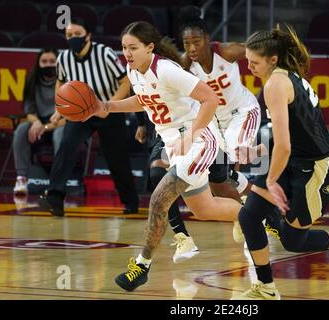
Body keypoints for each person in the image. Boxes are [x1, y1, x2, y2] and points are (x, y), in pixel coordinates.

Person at [87, 21, 244, 291]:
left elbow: (210, 99)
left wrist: (192, 134)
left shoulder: (167, 70)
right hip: (172, 141)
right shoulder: (133, 70)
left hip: (197, 139)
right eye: (124, 47)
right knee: (206, 209)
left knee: (159, 199)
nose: (127, 53)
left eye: (133, 48)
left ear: (150, 47)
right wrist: (108, 106)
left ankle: (142, 265)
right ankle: (257, 216)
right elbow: (144, 100)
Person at [231, 25, 329, 300]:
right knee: (248, 215)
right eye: (246, 61)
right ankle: (265, 288)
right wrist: (255, 152)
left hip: (315, 169)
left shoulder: (276, 84)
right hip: (295, 159)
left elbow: (285, 145)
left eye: (254, 62)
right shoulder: (287, 76)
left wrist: (270, 181)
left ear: (272, 60)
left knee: (293, 241)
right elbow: (285, 136)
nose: (248, 67)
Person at [141, 6, 263, 264]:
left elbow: (257, 49)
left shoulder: (226, 51)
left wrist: (278, 66)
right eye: (187, 43)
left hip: (241, 112)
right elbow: (159, 93)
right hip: (212, 122)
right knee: (219, 181)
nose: (192, 48)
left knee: (232, 163)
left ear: (208, 40)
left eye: (196, 42)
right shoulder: (183, 63)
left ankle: (256, 208)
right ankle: (248, 209)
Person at [38, 17, 139, 216]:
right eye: (69, 35)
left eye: (77, 34)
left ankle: (130, 202)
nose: (73, 38)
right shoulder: (64, 58)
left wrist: (108, 106)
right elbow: (61, 84)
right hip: (81, 113)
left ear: (88, 35)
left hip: (109, 108)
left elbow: (126, 82)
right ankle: (55, 198)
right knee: (66, 145)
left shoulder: (104, 53)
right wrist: (59, 109)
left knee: (116, 158)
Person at [13, 48, 65, 194]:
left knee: (60, 134)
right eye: (44, 61)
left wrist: (47, 127)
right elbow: (29, 111)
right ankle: (21, 178)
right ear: (38, 63)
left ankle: (58, 181)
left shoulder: (67, 81)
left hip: (60, 123)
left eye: (51, 61)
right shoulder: (31, 79)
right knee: (21, 130)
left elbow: (71, 118)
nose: (48, 64)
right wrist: (36, 122)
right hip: (39, 122)